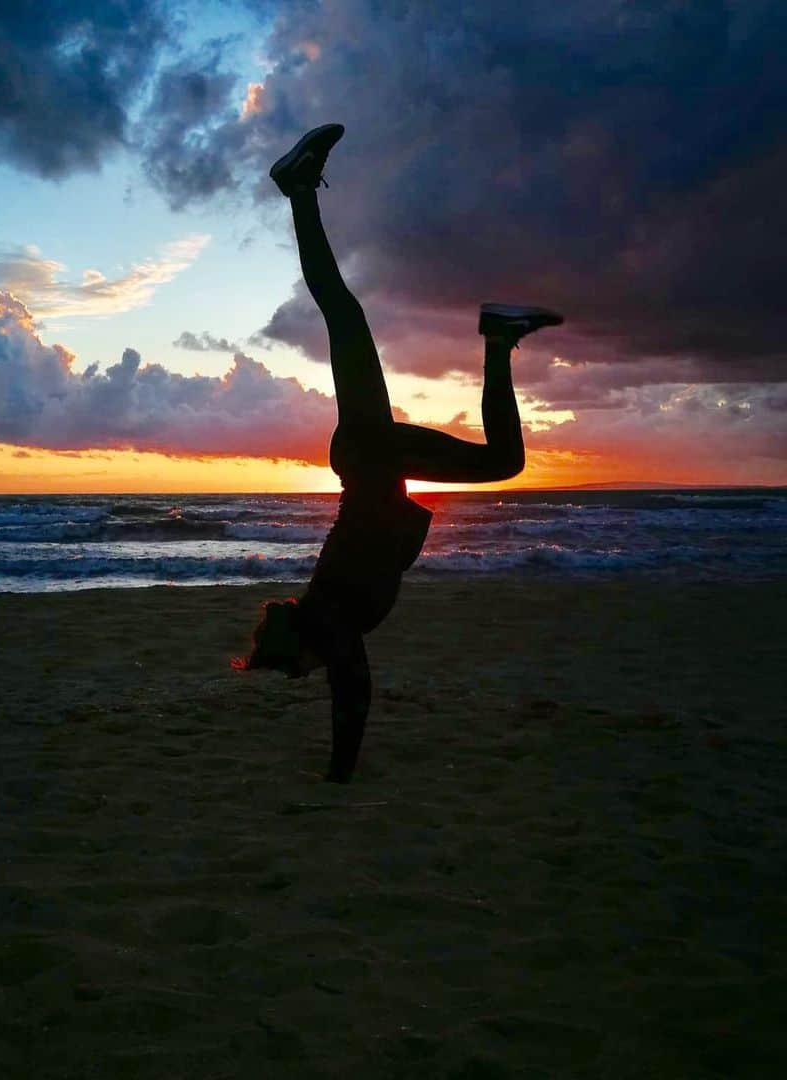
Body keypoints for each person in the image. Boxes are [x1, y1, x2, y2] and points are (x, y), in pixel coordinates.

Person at [233, 123, 564, 783]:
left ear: (298, 650)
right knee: (502, 462)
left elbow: (352, 691)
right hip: (370, 462)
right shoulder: (324, 614)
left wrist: (338, 773)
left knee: (342, 316)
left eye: (293, 672)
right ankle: (499, 338)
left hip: (371, 460)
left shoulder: (327, 624)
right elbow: (347, 678)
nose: (305, 678)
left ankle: (298, 189)